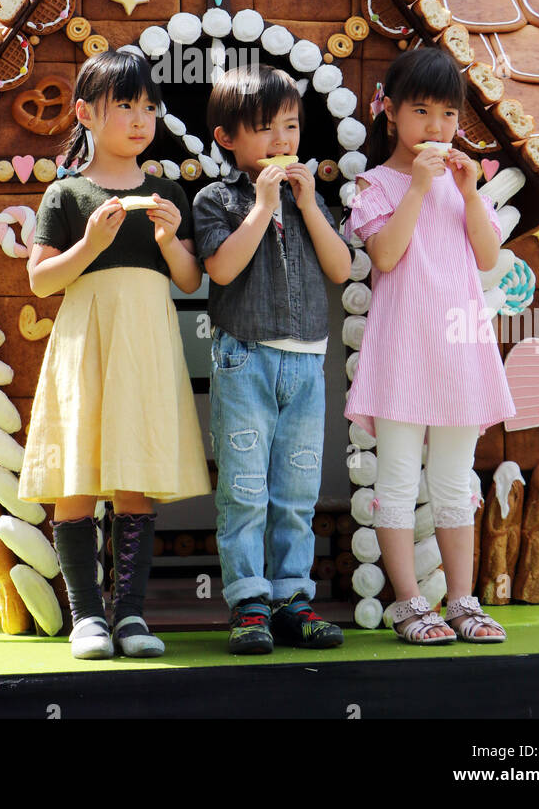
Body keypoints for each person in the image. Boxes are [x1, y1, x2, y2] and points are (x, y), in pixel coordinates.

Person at [18, 50, 211, 659]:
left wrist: (168, 238)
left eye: (149, 107)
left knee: (136, 481)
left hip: (146, 351)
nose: (139, 119)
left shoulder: (166, 192)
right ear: (85, 113)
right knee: (77, 477)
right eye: (124, 105)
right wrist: (90, 244)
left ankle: (129, 616)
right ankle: (87, 618)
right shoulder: (67, 193)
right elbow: (41, 281)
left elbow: (188, 279)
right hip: (86, 349)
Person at [345, 47, 515, 645]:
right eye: (421, 111)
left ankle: (463, 602)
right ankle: (409, 605)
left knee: (453, 481)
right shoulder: (374, 184)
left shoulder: (466, 186)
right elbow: (386, 256)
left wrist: (469, 194)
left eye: (448, 114)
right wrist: (417, 188)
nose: (437, 127)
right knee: (395, 481)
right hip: (402, 354)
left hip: (458, 353)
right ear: (390, 112)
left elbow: (488, 257)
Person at [192, 64, 353, 654]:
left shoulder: (314, 200)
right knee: (244, 489)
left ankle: (292, 599)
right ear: (227, 138)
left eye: (290, 126)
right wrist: (262, 206)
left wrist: (307, 206)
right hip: (245, 358)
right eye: (264, 128)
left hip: (306, 364)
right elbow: (221, 269)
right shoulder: (218, 199)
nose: (282, 140)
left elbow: (341, 269)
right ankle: (248, 604)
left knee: (297, 490)